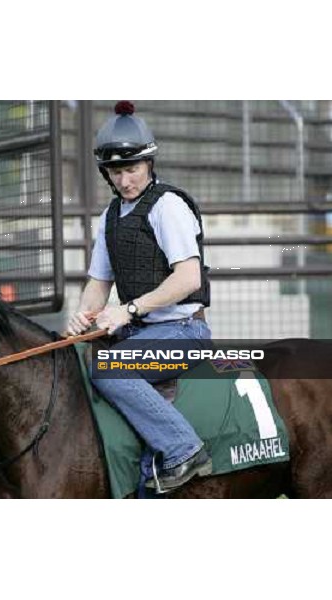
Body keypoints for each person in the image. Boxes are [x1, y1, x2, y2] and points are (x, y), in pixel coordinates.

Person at [67, 101, 213, 493]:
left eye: (132, 169)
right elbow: (98, 282)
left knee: (110, 369)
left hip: (184, 333)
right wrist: (84, 314)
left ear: (149, 165)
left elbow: (188, 278)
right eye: (117, 172)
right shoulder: (110, 216)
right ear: (107, 175)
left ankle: (184, 449)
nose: (125, 179)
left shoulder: (168, 207)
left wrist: (128, 310)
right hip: (139, 334)